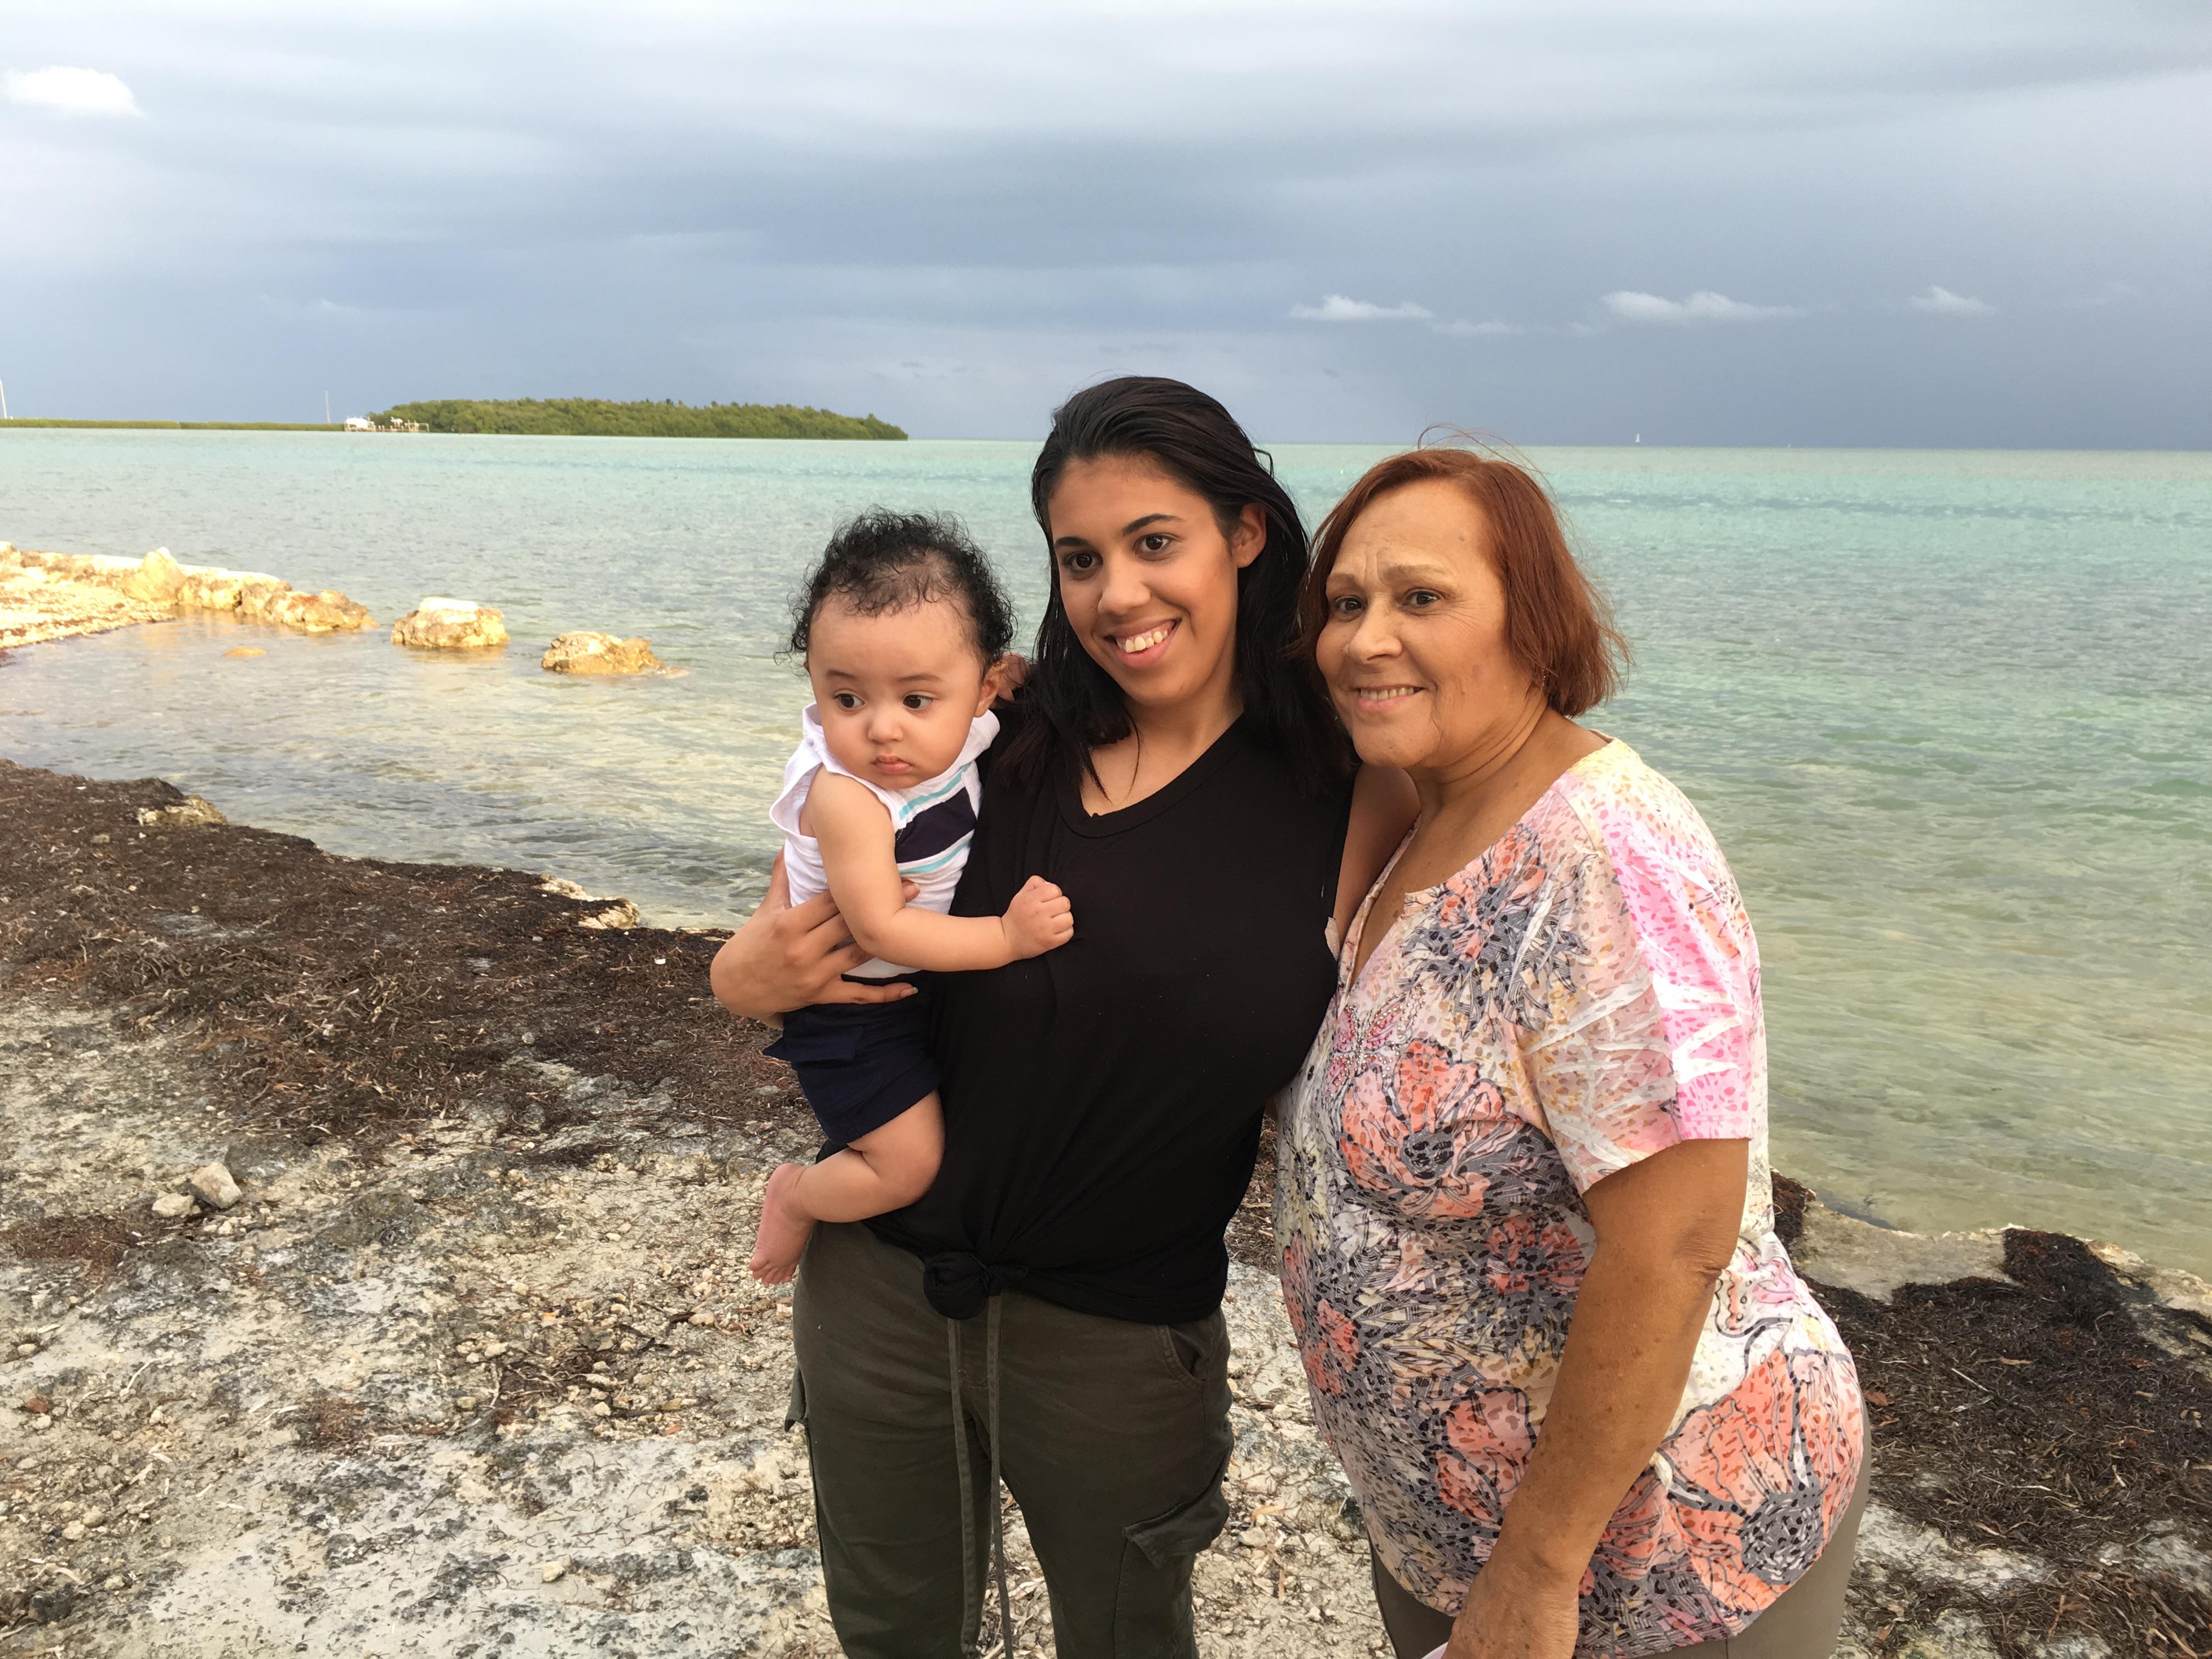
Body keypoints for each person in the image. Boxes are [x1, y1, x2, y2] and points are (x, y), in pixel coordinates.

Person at [710, 377, 1415, 1659]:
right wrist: (739, 980)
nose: (1118, 594)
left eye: (1156, 542)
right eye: (1081, 559)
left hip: (1121, 1339)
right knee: (895, 1634)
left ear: (1245, 533)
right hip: (880, 1295)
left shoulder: (1343, 783)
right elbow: (802, 904)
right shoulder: (999, 737)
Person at [1277, 445, 1869, 1659]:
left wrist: (1537, 1570)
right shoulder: (1427, 812)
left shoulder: (1610, 856)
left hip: (1655, 1556)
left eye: (1421, 597)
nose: (1366, 639)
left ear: (1534, 623)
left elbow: (1677, 1242)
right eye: (1346, 602)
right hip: (1448, 1530)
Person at [747, 510, 1076, 1284]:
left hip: (913, 993)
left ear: (981, 689)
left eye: (916, 699)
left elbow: (1006, 689)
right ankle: (798, 1195)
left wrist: (1022, 678)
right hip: (850, 1011)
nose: (882, 731)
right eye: (847, 699)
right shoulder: (849, 795)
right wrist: (1007, 939)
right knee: (904, 1166)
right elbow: (881, 929)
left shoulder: (967, 729)